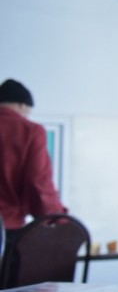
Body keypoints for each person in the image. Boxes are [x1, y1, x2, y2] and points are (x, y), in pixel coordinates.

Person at [0, 79, 67, 236]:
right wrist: (58, 218)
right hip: (6, 226)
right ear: (22, 106)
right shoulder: (30, 131)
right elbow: (38, 182)